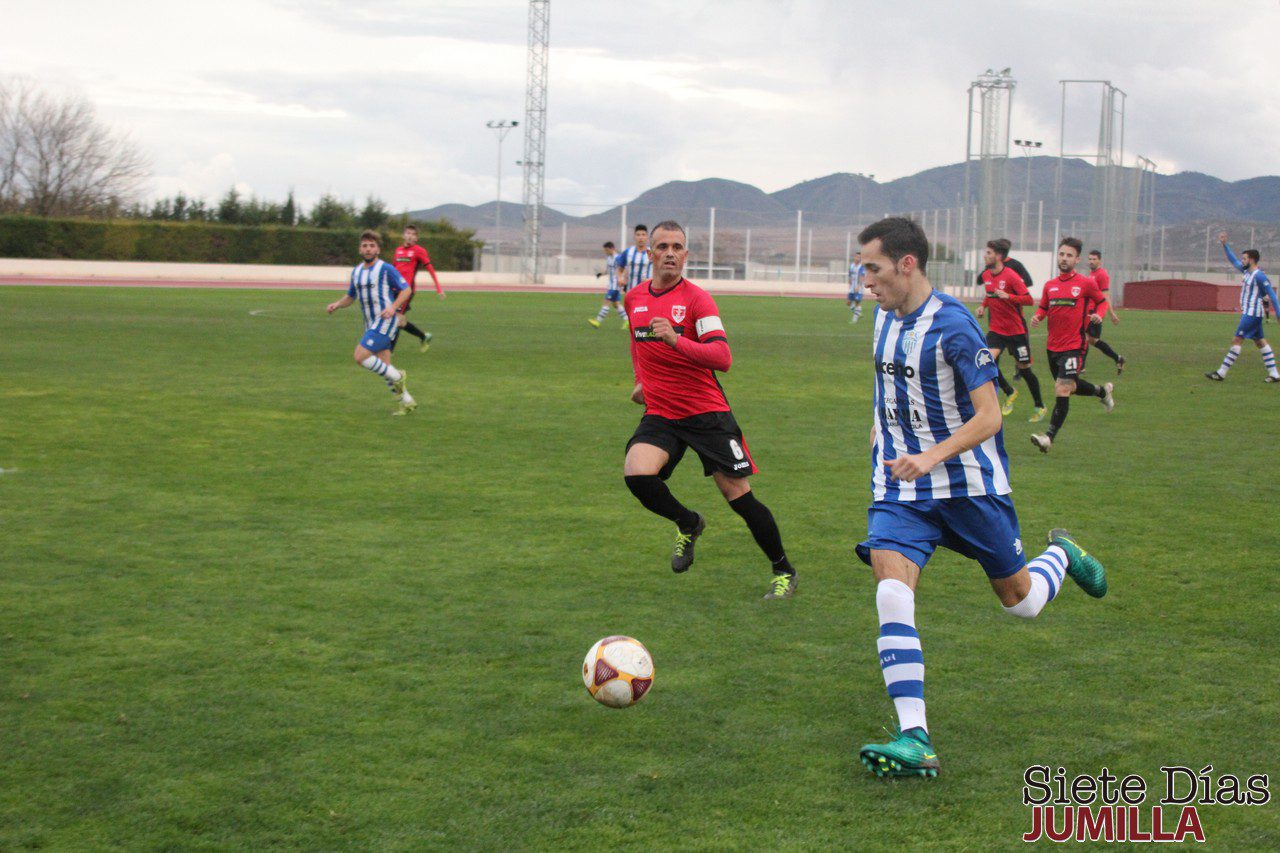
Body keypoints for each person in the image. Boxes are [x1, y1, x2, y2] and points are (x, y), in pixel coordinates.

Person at [853, 217, 1108, 778]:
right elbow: (887, 384)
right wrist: (882, 425)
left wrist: (932, 454)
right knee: (892, 594)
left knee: (1021, 602)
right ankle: (915, 736)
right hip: (900, 488)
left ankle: (1062, 554)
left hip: (970, 487)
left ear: (906, 264)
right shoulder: (882, 319)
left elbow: (990, 417)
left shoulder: (955, 328)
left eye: (872, 267)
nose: (864, 280)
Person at [622, 220, 797, 600]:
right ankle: (688, 522)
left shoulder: (699, 300)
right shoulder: (634, 298)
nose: (670, 252)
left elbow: (722, 357)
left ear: (686, 255)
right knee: (637, 473)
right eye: (663, 246)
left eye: (678, 247)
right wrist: (642, 381)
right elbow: (636, 345)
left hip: (706, 414)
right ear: (649, 253)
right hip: (663, 412)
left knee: (739, 497)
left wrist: (674, 339)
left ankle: (784, 570)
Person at [1029, 238, 1114, 453]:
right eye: (1061, 254)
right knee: (1071, 387)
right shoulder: (1050, 286)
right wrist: (1038, 317)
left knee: (1062, 387)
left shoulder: (1085, 283)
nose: (1064, 258)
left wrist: (1099, 316)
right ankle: (1102, 392)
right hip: (1052, 348)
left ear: (1077, 259)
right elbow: (1044, 308)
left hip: (1075, 345)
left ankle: (1048, 437)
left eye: (1069, 255)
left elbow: (1102, 301)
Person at [326, 231, 416, 416]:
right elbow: (351, 296)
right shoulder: (357, 272)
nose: (368, 249)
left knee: (360, 356)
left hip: (385, 321)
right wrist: (337, 304)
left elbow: (406, 290)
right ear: (360, 249)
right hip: (370, 324)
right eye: (365, 246)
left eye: (372, 246)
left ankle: (400, 376)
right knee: (385, 368)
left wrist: (393, 307)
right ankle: (407, 402)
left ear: (378, 249)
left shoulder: (386, 269)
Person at [974, 238, 1047, 421]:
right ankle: (1009, 392)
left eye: (989, 253)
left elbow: (1029, 300)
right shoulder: (986, 276)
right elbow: (990, 294)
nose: (985, 255)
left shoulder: (1012, 276)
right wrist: (983, 306)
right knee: (986, 363)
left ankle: (1040, 406)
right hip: (997, 330)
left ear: (998, 256)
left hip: (1016, 331)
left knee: (1025, 371)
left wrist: (1009, 296)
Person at [1205, 232, 1280, 382]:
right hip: (1252, 313)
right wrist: (1225, 244)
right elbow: (1233, 260)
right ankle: (1274, 374)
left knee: (1236, 340)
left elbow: (1272, 295)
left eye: (1244, 258)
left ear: (1251, 260)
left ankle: (1221, 373)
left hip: (1252, 313)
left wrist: (1278, 314)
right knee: (1260, 342)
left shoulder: (1259, 276)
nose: (1242, 260)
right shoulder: (1246, 271)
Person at [391, 224, 444, 353]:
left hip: (406, 291)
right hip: (393, 289)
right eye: (407, 233)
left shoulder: (419, 251)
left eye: (412, 234)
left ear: (416, 238)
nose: (409, 235)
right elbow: (393, 270)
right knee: (400, 321)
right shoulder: (398, 250)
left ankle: (388, 352)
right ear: (403, 235)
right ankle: (424, 336)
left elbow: (430, 269)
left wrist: (438, 288)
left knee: (396, 319)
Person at [1084, 250, 1125, 373]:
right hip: (1089, 310)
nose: (1091, 261)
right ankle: (1118, 358)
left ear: (1099, 260)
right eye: (1090, 259)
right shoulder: (1092, 273)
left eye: (1094, 259)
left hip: (1095, 312)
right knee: (1093, 340)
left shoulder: (1102, 275)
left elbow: (1105, 295)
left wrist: (1111, 313)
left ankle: (1081, 367)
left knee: (1084, 338)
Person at [588, 241, 628, 328]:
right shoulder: (609, 258)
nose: (605, 252)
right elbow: (608, 270)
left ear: (612, 248)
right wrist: (601, 274)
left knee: (606, 302)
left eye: (606, 250)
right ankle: (628, 321)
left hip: (615, 285)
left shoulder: (618, 258)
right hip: (611, 284)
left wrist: (623, 281)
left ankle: (597, 321)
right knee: (616, 304)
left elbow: (623, 269)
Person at [614, 224, 653, 294]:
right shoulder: (628, 252)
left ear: (647, 237)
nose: (641, 237)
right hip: (631, 292)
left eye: (643, 235)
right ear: (634, 237)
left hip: (648, 293)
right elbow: (619, 270)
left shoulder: (653, 253)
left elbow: (660, 273)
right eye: (638, 235)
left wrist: (650, 280)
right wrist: (620, 279)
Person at [847, 251, 867, 322]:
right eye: (856, 257)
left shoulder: (861, 267)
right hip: (852, 287)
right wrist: (849, 283)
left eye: (859, 257)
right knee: (848, 302)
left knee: (857, 302)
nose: (857, 258)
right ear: (854, 257)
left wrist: (858, 286)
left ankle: (854, 319)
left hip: (858, 288)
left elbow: (862, 277)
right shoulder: (851, 265)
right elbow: (850, 275)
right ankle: (859, 313)